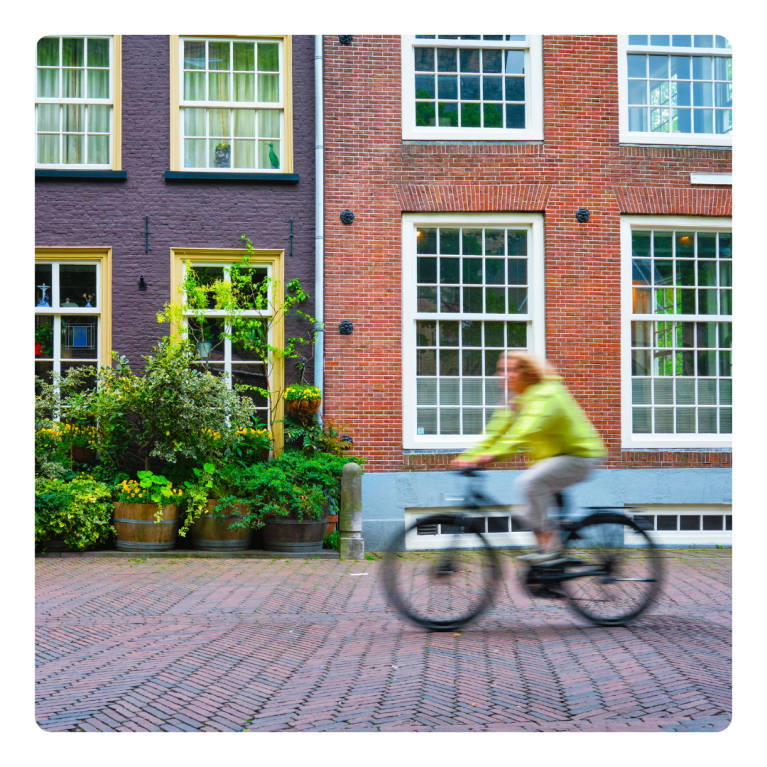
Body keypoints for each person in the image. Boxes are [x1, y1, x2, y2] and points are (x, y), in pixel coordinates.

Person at [453, 351, 606, 564]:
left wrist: (491, 455)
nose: (503, 375)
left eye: (510, 370)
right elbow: (495, 432)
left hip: (578, 455)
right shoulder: (514, 398)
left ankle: (550, 554)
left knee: (530, 482)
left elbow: (525, 429)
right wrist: (470, 455)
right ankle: (547, 571)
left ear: (527, 372)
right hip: (552, 460)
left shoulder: (547, 393)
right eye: (501, 369)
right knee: (527, 510)